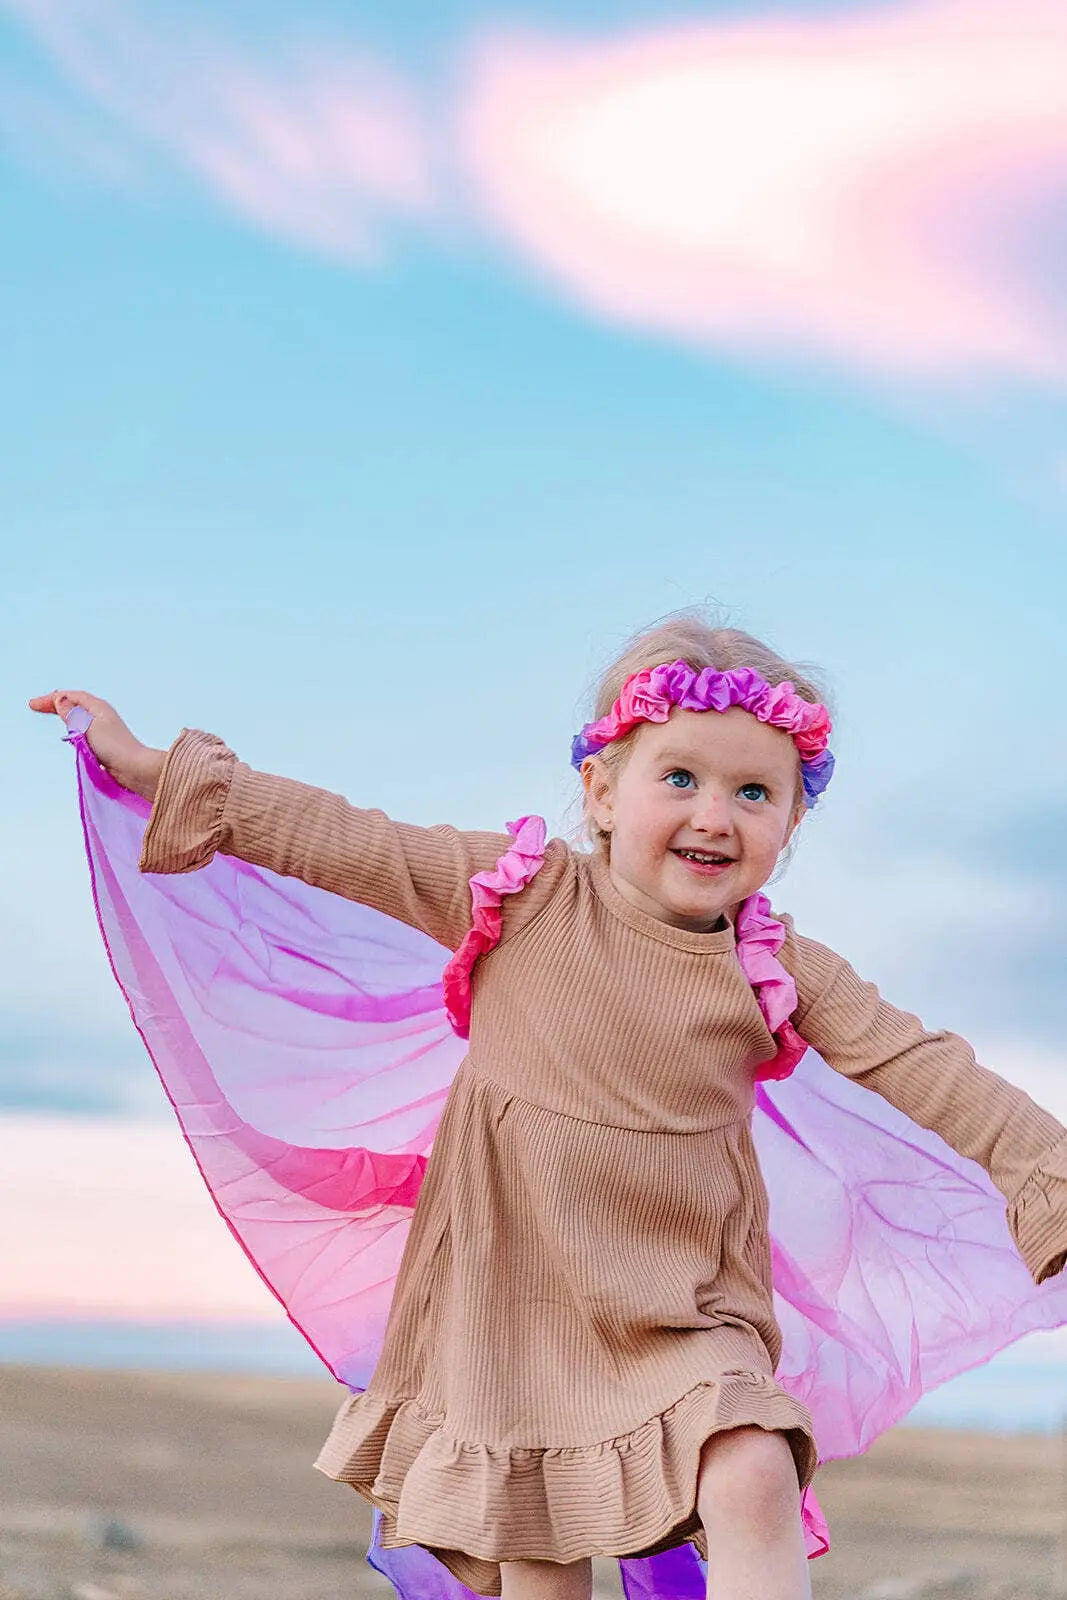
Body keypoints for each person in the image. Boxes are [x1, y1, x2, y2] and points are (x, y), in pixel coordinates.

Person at [30, 616, 1067, 1600]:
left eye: (754, 792)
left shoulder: (771, 965)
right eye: (679, 778)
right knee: (541, 1565)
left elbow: (923, 1064)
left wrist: (1044, 1168)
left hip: (684, 1307)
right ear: (601, 792)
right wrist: (156, 770)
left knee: (753, 1464)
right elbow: (344, 839)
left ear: (791, 823)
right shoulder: (519, 893)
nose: (714, 814)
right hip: (514, 1312)